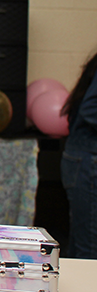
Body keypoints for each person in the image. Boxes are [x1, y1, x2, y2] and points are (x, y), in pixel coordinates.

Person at [61, 49, 97, 259]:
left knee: (82, 244)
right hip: (88, 161)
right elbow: (91, 108)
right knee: (90, 250)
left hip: (82, 157)